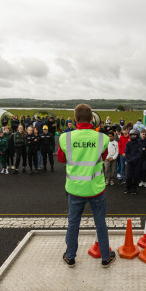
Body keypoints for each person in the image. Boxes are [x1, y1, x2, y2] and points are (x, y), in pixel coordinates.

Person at [57, 103, 115, 268]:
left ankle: (70, 257)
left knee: (73, 223)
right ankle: (105, 258)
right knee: (100, 223)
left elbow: (61, 159)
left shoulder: (65, 137)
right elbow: (103, 156)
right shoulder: (102, 138)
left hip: (75, 189)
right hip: (96, 189)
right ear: (92, 119)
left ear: (75, 120)